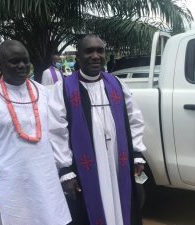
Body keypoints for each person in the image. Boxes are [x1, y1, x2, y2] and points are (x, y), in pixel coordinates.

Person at [49, 34, 146, 225]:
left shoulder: (117, 84)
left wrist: (136, 153)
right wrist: (65, 169)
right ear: (78, 56)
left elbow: (134, 119)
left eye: (100, 51)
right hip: (86, 165)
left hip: (119, 159)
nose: (95, 56)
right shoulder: (64, 89)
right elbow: (57, 131)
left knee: (122, 204)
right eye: (89, 51)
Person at [0, 40, 71, 225]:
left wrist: (66, 171)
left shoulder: (43, 93)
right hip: (12, 187)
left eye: (25, 61)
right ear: (0, 64)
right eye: (14, 61)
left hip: (47, 183)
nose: (22, 66)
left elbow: (57, 135)